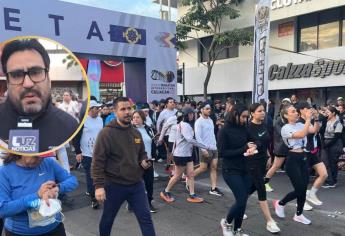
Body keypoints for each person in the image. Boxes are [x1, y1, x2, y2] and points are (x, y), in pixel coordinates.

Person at [0, 38, 79, 153]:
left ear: (49, 78)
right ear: (7, 82)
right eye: (16, 75)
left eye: (36, 72)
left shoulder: (69, 125)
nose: (28, 84)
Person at [91, 97, 155, 236]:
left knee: (146, 219)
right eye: (122, 109)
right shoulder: (106, 133)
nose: (127, 112)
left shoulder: (135, 133)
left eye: (129, 108)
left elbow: (142, 153)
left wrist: (144, 160)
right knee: (107, 220)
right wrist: (98, 186)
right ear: (115, 111)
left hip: (136, 185)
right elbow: (97, 162)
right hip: (114, 185)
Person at [0, 154, 78, 235]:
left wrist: (57, 188)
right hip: (21, 232)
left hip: (54, 228)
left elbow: (72, 180)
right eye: (36, 156)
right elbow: (3, 210)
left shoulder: (48, 162)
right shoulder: (4, 172)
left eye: (43, 155)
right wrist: (36, 195)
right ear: (22, 151)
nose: (40, 159)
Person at [274, 104, 313, 225]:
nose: (296, 113)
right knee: (300, 189)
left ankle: (299, 214)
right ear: (286, 115)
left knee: (304, 188)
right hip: (292, 159)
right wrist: (308, 120)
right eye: (293, 111)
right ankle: (280, 203)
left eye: (296, 111)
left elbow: (313, 130)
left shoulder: (301, 124)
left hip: (303, 158)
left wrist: (315, 118)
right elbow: (301, 135)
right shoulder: (285, 128)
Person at [218, 104, 254, 236]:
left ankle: (237, 230)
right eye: (243, 116)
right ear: (235, 114)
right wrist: (244, 148)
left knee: (243, 201)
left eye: (247, 116)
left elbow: (254, 141)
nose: (245, 119)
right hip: (230, 170)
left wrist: (253, 147)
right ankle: (226, 222)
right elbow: (222, 153)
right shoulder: (224, 130)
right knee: (241, 199)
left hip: (245, 168)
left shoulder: (244, 128)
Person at [160, 107, 209, 204]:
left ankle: (192, 194)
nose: (192, 115)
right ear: (186, 115)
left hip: (186, 154)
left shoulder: (185, 124)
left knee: (190, 175)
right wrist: (204, 147)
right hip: (181, 155)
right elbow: (190, 139)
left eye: (192, 114)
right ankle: (165, 191)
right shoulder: (184, 125)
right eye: (190, 114)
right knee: (177, 176)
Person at [246, 103, 280, 233]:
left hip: (262, 161)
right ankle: (269, 221)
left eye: (263, 111)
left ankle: (239, 205)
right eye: (259, 111)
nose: (263, 113)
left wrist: (268, 156)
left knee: (252, 187)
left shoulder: (264, 125)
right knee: (261, 188)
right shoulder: (248, 127)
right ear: (252, 113)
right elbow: (245, 144)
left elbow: (266, 143)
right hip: (252, 162)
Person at [295, 102, 326, 206]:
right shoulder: (299, 122)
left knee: (324, 174)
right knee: (304, 179)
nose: (310, 109)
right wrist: (313, 119)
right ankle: (301, 201)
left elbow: (316, 130)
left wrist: (316, 118)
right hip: (304, 152)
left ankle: (311, 194)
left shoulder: (309, 120)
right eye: (307, 108)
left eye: (310, 108)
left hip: (313, 151)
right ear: (301, 110)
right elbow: (312, 131)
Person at [73, 100, 103, 209]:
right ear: (90, 109)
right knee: (91, 177)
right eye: (96, 108)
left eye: (99, 108)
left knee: (101, 175)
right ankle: (93, 199)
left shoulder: (100, 119)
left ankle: (100, 193)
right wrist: (78, 152)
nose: (99, 110)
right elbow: (76, 137)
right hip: (87, 154)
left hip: (100, 152)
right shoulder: (83, 121)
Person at [193, 102, 224, 196]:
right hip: (205, 148)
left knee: (214, 167)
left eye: (209, 109)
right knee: (203, 168)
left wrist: (215, 145)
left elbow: (211, 134)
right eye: (207, 109)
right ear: (202, 110)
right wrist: (203, 149)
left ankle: (213, 188)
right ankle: (189, 178)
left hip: (214, 147)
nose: (209, 110)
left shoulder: (210, 120)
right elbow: (197, 137)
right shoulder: (199, 121)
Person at [132, 110, 158, 213]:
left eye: (137, 117)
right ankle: (133, 203)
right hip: (135, 162)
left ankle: (149, 202)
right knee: (136, 185)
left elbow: (152, 143)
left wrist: (153, 157)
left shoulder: (148, 129)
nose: (135, 119)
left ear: (143, 118)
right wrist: (139, 160)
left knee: (149, 184)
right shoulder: (130, 131)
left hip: (149, 161)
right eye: (133, 117)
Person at [321, 106, 343, 188]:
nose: (326, 113)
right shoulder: (326, 121)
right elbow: (322, 132)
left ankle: (332, 181)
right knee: (326, 162)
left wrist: (327, 145)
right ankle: (330, 180)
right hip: (327, 143)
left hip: (335, 144)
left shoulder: (338, 123)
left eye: (328, 112)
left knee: (332, 163)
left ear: (333, 113)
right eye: (326, 112)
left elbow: (337, 137)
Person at [156, 97, 177, 162]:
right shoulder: (163, 113)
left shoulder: (177, 111)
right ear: (166, 104)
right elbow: (158, 123)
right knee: (170, 150)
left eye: (173, 102)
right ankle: (171, 165)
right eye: (170, 102)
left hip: (177, 133)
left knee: (175, 151)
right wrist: (159, 132)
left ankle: (170, 165)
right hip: (167, 134)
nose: (172, 103)